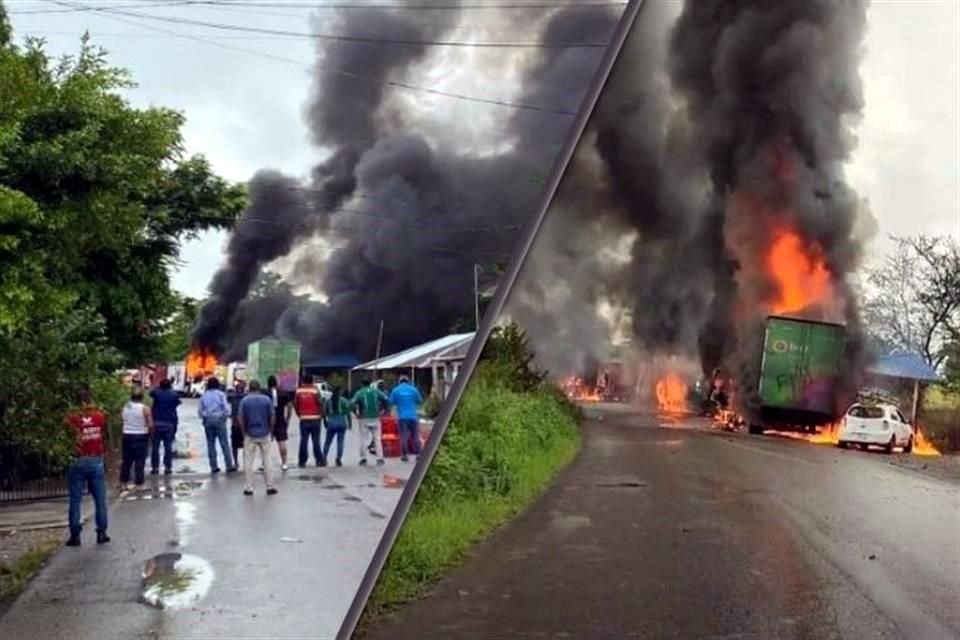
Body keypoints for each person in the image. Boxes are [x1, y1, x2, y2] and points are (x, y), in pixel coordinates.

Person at [64, 388, 110, 546]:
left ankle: (75, 535)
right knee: (100, 499)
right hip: (96, 459)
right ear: (90, 400)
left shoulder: (70, 418)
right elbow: (104, 433)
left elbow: (65, 437)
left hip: (77, 460)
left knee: (75, 500)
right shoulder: (99, 416)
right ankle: (102, 532)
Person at [238, 379, 277, 496]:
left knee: (249, 462)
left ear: (249, 388)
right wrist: (271, 430)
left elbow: (240, 418)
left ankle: (249, 488)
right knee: (267, 460)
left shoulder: (245, 401)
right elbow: (272, 417)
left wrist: (244, 432)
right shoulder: (266, 399)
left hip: (250, 434)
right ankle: (270, 486)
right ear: (259, 388)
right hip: (265, 433)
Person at [119, 387, 153, 491]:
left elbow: (122, 419)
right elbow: (150, 424)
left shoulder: (125, 407)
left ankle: (123, 483)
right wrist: (150, 435)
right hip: (140, 436)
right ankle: (139, 484)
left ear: (131, 397)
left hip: (127, 435)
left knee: (126, 461)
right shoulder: (145, 408)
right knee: (139, 461)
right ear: (142, 397)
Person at [199, 377, 235, 474]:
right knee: (224, 443)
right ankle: (229, 465)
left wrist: (205, 418)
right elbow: (226, 409)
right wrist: (224, 417)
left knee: (211, 444)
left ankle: (214, 466)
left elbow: (200, 411)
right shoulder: (221, 395)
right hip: (219, 420)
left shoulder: (204, 396)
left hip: (208, 421)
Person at [352, 378, 389, 466]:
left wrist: (356, 413)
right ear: (370, 384)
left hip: (364, 418)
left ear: (362, 384)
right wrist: (384, 410)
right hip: (376, 418)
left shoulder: (359, 393)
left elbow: (352, 403)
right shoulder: (376, 391)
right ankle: (379, 459)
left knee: (364, 439)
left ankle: (363, 459)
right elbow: (386, 399)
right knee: (377, 439)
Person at [149, 378, 180, 475]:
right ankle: (168, 467)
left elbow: (151, 392)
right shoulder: (174, 395)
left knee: (155, 447)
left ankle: (155, 468)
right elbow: (177, 404)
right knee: (168, 447)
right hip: (169, 423)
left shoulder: (156, 393)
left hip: (157, 423)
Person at [389, 376, 423, 462]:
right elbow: (419, 400)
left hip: (402, 417)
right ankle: (419, 454)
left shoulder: (395, 390)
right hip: (413, 416)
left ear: (399, 381)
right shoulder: (414, 389)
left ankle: (405, 455)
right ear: (408, 381)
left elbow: (391, 402)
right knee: (415, 436)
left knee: (403, 436)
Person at [293, 374, 324, 467]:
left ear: (303, 381)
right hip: (315, 419)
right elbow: (320, 403)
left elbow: (295, 404)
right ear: (312, 381)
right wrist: (322, 415)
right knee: (316, 440)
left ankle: (302, 461)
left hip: (304, 419)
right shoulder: (315, 390)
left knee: (304, 441)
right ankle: (319, 460)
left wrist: (299, 414)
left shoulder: (298, 390)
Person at [266, 375, 293, 471]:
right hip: (280, 419)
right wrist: (288, 418)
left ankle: (264, 464)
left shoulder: (265, 393)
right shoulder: (283, 393)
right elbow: (290, 406)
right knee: (282, 442)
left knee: (265, 443)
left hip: (267, 420)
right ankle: (284, 463)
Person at [322, 386, 352, 467]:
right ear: (340, 392)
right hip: (341, 422)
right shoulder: (344, 401)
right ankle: (338, 458)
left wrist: (325, 421)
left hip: (331, 422)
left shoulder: (328, 401)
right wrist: (350, 424)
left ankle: (324, 458)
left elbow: (324, 412)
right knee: (340, 442)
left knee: (328, 442)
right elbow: (348, 413)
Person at [228, 384, 246, 470]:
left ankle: (236, 463)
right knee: (245, 444)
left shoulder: (232, 397)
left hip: (236, 424)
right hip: (243, 424)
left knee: (235, 445)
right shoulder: (246, 397)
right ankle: (243, 462)